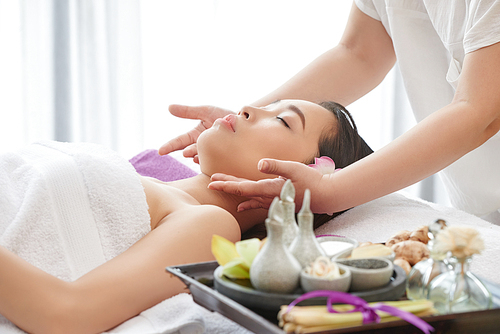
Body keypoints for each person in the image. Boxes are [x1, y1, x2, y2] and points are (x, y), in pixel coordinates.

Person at [0, 99, 371, 333]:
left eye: (283, 121)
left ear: (298, 181)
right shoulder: (147, 181)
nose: (248, 108)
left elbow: (66, 314)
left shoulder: (210, 224)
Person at [159, 1, 500, 224]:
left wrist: (332, 191)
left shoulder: (201, 228)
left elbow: (479, 111)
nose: (247, 109)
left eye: (283, 120)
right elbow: (358, 53)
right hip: (480, 209)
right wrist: (244, 123)